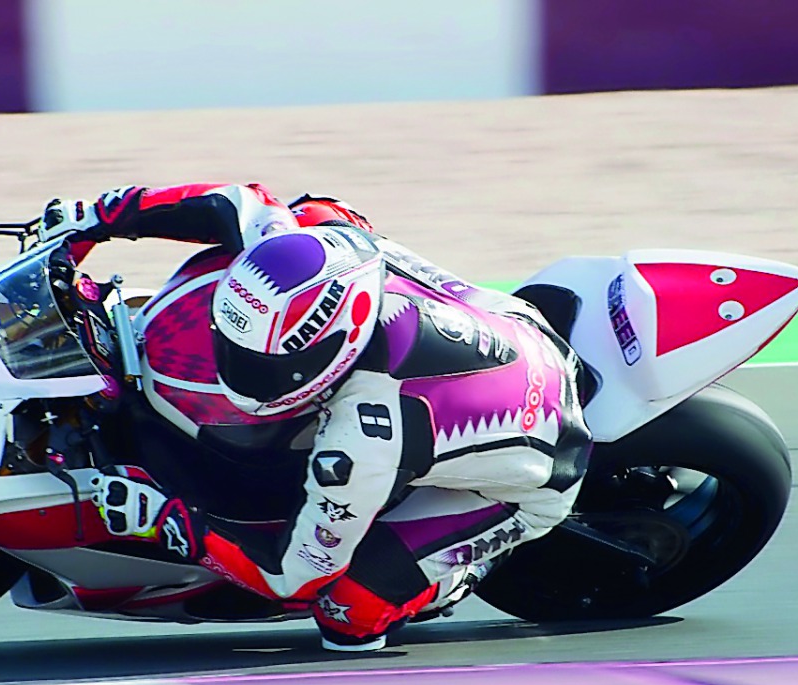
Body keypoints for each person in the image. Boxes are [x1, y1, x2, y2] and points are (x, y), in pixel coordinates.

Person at [37, 183, 591, 651]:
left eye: (266, 368)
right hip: (506, 320)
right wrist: (97, 219)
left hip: (540, 466)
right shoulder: (313, 242)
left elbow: (292, 578)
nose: (240, 377)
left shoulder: (368, 435)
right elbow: (236, 201)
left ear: (335, 347)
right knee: (321, 208)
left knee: (345, 614)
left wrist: (166, 518)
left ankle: (456, 575)